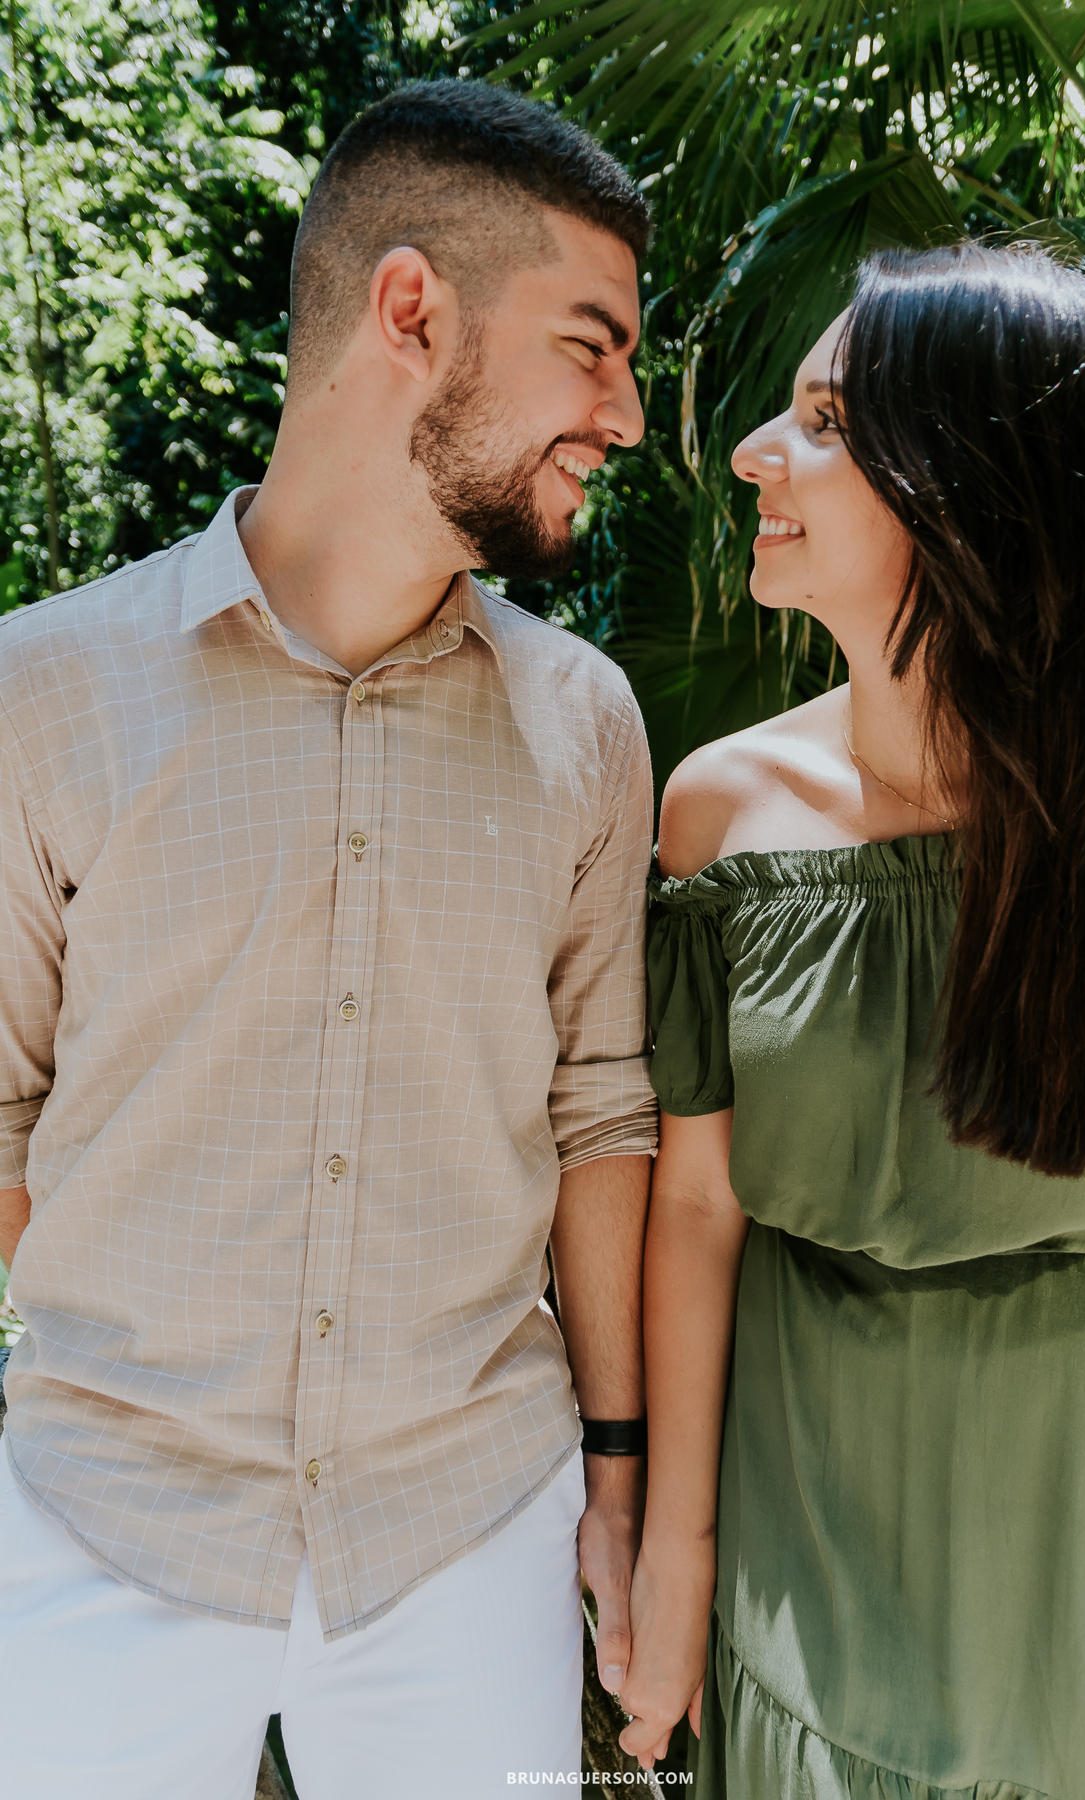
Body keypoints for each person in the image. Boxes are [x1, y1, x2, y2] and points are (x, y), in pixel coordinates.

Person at [0, 79, 657, 1798]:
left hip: (473, 1537)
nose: (631, 413)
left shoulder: (588, 722)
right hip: (101, 1537)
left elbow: (603, 1120)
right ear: (414, 311)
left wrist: (618, 1483)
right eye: (592, 346)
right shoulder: (41, 694)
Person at [617, 245, 1085, 1799]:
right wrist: (674, 1560)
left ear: (966, 489)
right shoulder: (722, 811)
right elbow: (692, 1206)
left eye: (820, 419)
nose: (754, 451)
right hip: (816, 1531)